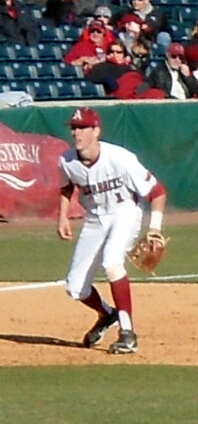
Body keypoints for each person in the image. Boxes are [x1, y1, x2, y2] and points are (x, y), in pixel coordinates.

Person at [57, 108, 167, 355]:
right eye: (74, 128)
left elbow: (157, 192)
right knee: (75, 287)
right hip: (95, 218)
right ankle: (108, 314)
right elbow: (66, 187)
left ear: (96, 130)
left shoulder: (120, 158)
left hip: (125, 212)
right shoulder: (66, 160)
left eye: (83, 127)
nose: (77, 133)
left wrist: (155, 229)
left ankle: (128, 333)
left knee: (112, 262)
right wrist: (62, 216)